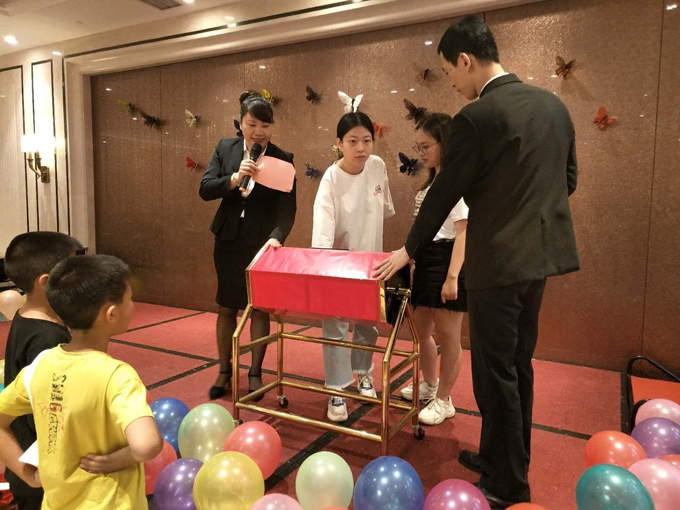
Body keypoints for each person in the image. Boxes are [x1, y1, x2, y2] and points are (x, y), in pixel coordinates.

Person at [373, 15, 579, 508]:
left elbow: (443, 193)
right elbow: (567, 180)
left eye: (449, 71)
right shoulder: (553, 106)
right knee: (517, 365)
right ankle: (504, 459)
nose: (452, 82)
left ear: (465, 60)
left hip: (496, 263)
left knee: (495, 373)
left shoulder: (475, 117)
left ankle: (507, 485)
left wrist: (407, 250)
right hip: (540, 260)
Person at [0, 254, 163, 509]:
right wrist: (116, 461)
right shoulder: (117, 375)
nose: (133, 305)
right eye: (130, 299)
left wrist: (27, 475)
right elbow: (147, 445)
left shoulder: (40, 365)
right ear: (111, 314)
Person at [199, 91, 297, 401]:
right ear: (241, 123)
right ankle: (224, 371)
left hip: (262, 245)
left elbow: (287, 209)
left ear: (272, 127)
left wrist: (276, 238)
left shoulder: (283, 159)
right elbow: (205, 188)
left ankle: (255, 373)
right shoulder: (225, 148)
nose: (259, 131)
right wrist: (234, 178)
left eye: (265, 125)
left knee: (259, 309)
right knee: (226, 306)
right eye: (252, 124)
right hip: (227, 240)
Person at [312, 111, 395, 422]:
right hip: (337, 264)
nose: (361, 148)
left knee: (367, 322)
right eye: (352, 141)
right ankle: (336, 388)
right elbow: (322, 231)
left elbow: (382, 210)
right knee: (335, 327)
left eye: (367, 140)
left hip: (371, 262)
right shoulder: (331, 179)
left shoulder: (378, 166)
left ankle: (363, 372)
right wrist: (325, 266)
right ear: (339, 143)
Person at [2, 232, 83, 510]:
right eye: (73, 273)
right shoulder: (47, 339)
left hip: (26, 461)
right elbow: (52, 412)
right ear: (46, 283)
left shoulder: (25, 316)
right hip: (43, 473)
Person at [398, 113, 468, 426]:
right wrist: (413, 261)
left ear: (445, 143)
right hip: (425, 261)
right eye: (418, 147)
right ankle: (430, 384)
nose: (421, 153)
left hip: (448, 260)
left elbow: (464, 233)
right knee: (420, 331)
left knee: (449, 336)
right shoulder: (429, 185)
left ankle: (445, 399)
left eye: (426, 146)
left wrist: (452, 277)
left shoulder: (456, 184)